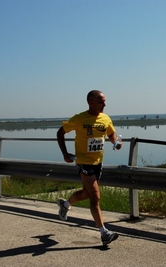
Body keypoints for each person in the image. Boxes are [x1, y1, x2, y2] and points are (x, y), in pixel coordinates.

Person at [56, 90, 122, 246]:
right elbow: (60, 132)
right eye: (101, 101)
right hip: (83, 162)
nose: (104, 104)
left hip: (98, 162)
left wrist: (116, 143)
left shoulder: (105, 118)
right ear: (91, 102)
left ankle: (65, 205)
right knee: (95, 196)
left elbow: (111, 134)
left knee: (86, 193)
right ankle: (104, 233)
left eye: (104, 101)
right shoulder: (79, 118)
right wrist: (65, 153)